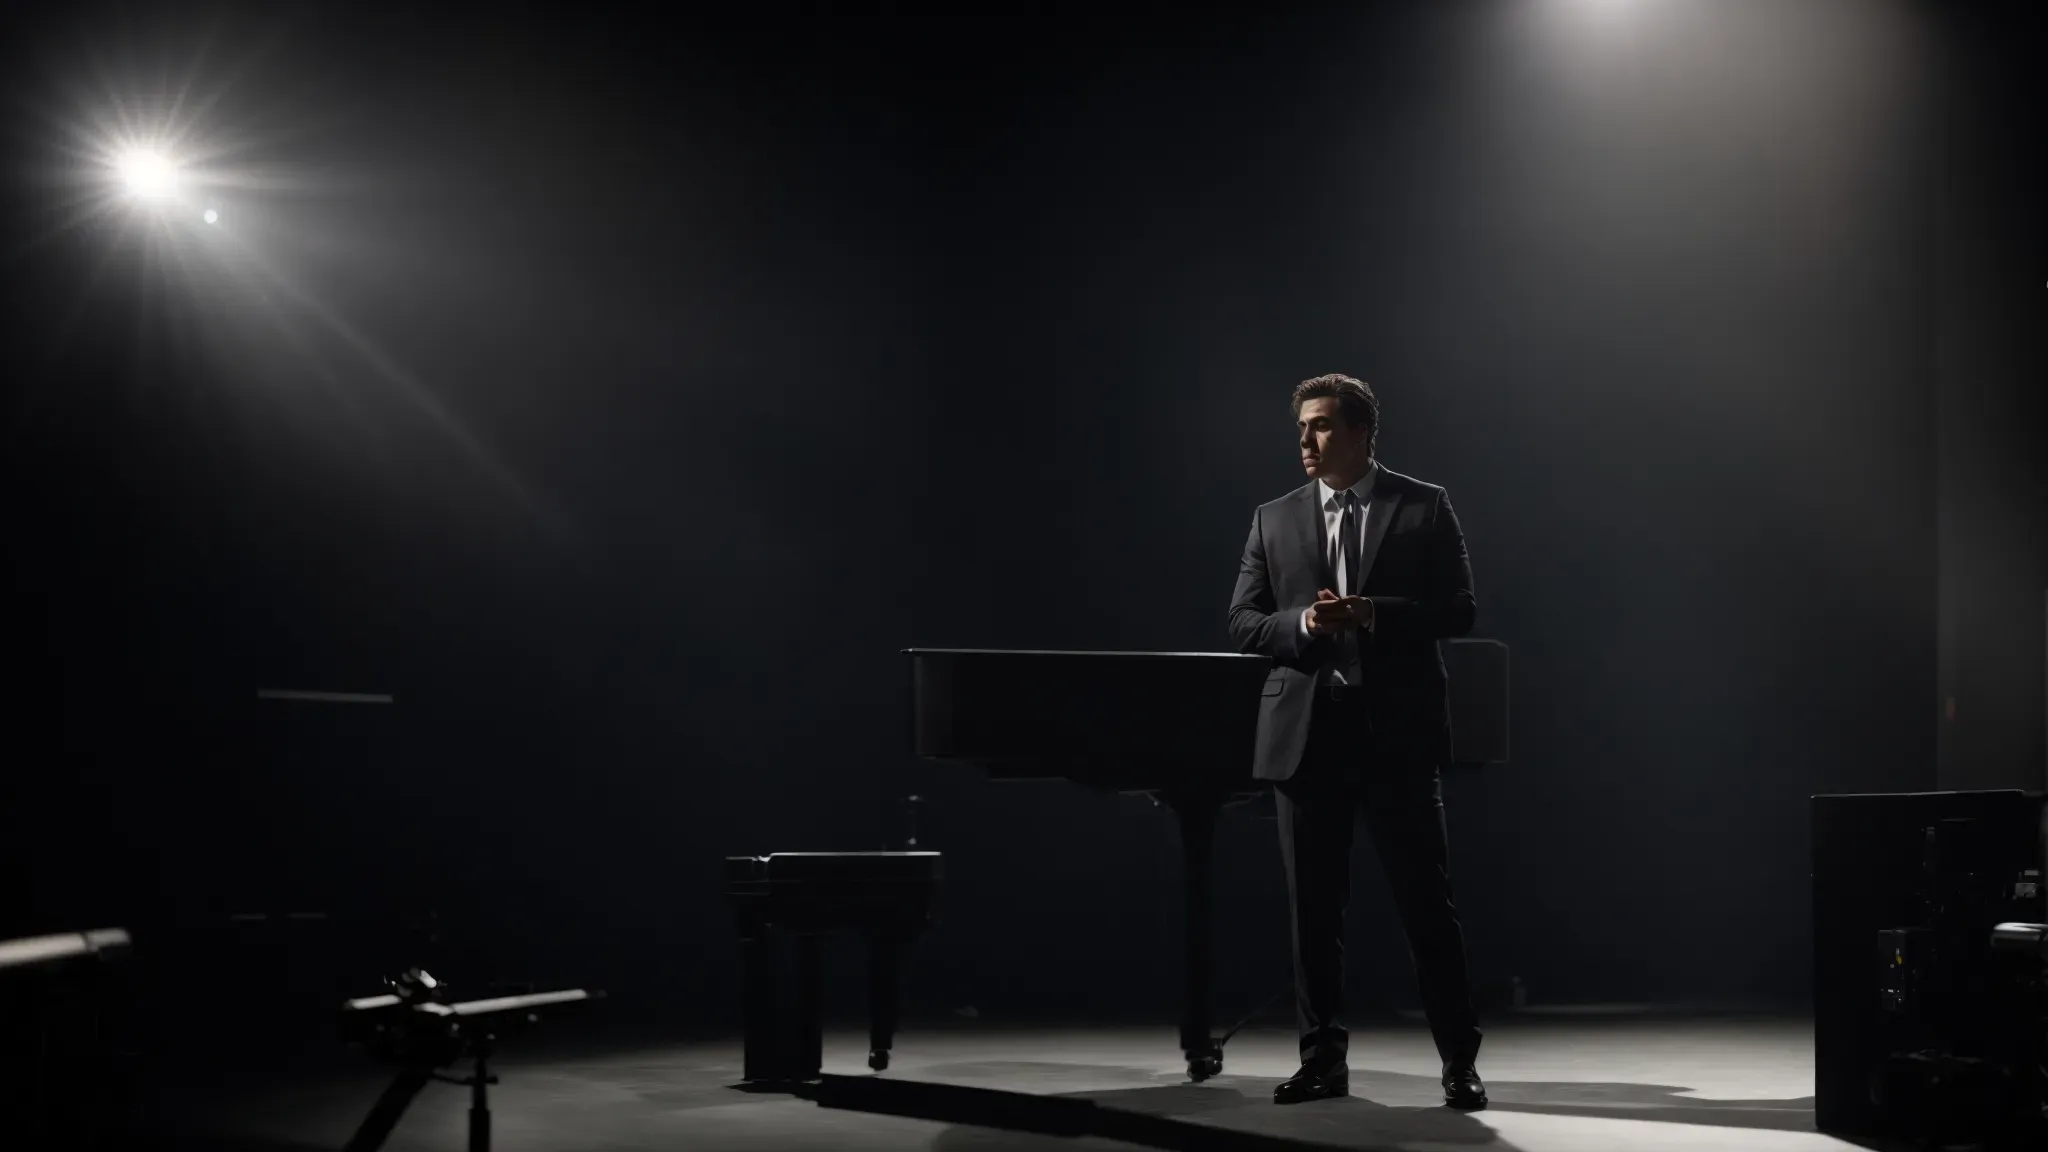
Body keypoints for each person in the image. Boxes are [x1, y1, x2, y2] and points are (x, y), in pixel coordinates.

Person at [1226, 373, 1486, 1110]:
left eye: (1321, 426)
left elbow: (1460, 611)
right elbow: (1243, 624)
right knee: (1313, 913)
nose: (1306, 441)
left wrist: (1374, 613)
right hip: (1307, 737)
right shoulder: (1272, 518)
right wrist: (1305, 624)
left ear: (1363, 431)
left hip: (1395, 735)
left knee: (1426, 906)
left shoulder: (1423, 505)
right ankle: (1322, 1064)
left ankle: (1460, 1062)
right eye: (1302, 427)